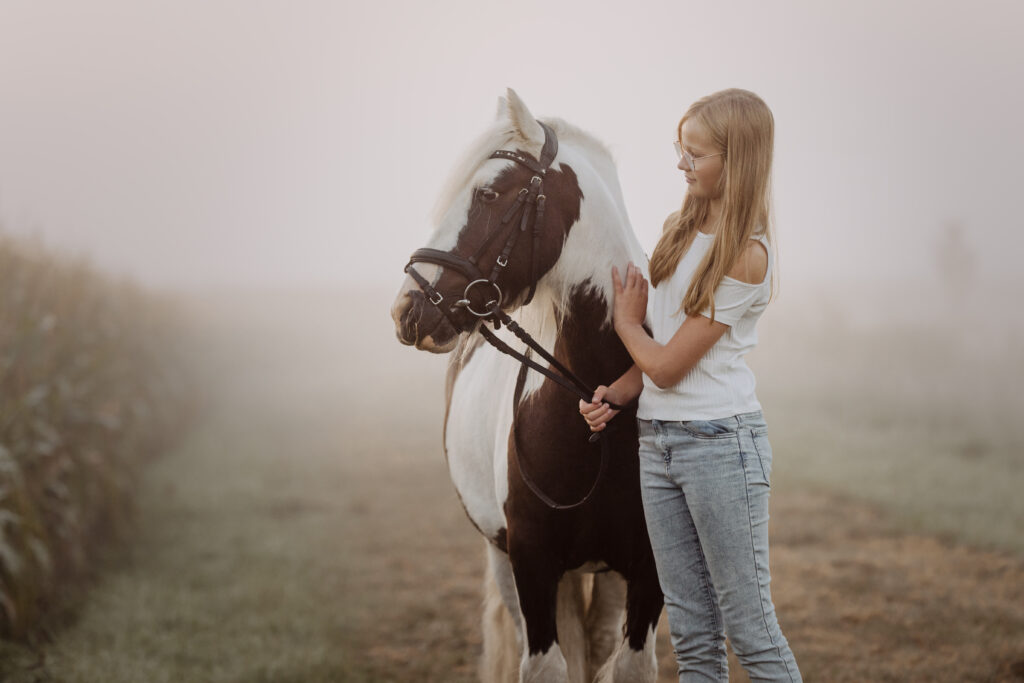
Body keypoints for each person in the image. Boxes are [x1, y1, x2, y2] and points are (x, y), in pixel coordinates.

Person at [579, 88, 802, 682]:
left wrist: (625, 322)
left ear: (737, 161)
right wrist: (619, 394)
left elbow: (672, 366)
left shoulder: (747, 255)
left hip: (721, 447)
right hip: (659, 444)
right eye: (680, 150)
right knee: (692, 634)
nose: (681, 163)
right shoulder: (680, 229)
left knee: (750, 631)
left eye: (695, 154)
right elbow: (665, 341)